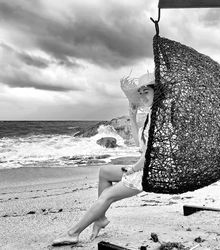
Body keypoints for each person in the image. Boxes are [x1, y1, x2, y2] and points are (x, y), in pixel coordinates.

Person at [52, 72, 155, 246]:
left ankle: (73, 233)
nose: (142, 96)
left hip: (148, 173)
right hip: (144, 167)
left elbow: (149, 155)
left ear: (156, 92)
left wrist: (133, 169)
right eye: (141, 92)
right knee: (104, 172)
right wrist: (132, 115)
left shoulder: (158, 118)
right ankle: (99, 218)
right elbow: (140, 145)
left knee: (107, 195)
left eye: (146, 91)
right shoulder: (151, 115)